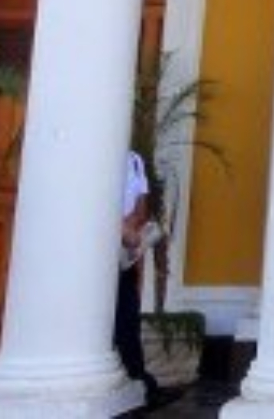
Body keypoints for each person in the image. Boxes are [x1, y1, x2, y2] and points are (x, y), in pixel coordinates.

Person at [115, 150, 160, 405]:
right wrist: (120, 228)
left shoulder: (133, 159)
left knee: (127, 313)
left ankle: (135, 374)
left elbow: (142, 201)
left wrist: (131, 226)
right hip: (100, 244)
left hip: (126, 249)